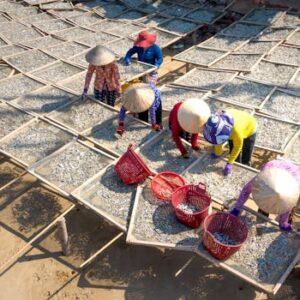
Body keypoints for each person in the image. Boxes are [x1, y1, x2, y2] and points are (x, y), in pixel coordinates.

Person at [230, 159, 300, 231]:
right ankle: (263, 213)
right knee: (265, 201)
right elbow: (246, 191)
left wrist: (283, 223)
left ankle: (280, 219)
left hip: (291, 176)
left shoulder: (294, 188)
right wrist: (237, 208)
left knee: (287, 206)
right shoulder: (263, 177)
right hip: (273, 168)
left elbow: (288, 206)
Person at [203, 109, 257, 175]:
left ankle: (245, 165)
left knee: (247, 149)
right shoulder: (217, 121)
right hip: (237, 123)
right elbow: (217, 140)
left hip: (250, 127)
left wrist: (230, 162)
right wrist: (218, 153)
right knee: (232, 148)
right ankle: (236, 162)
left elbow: (237, 147)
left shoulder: (236, 131)